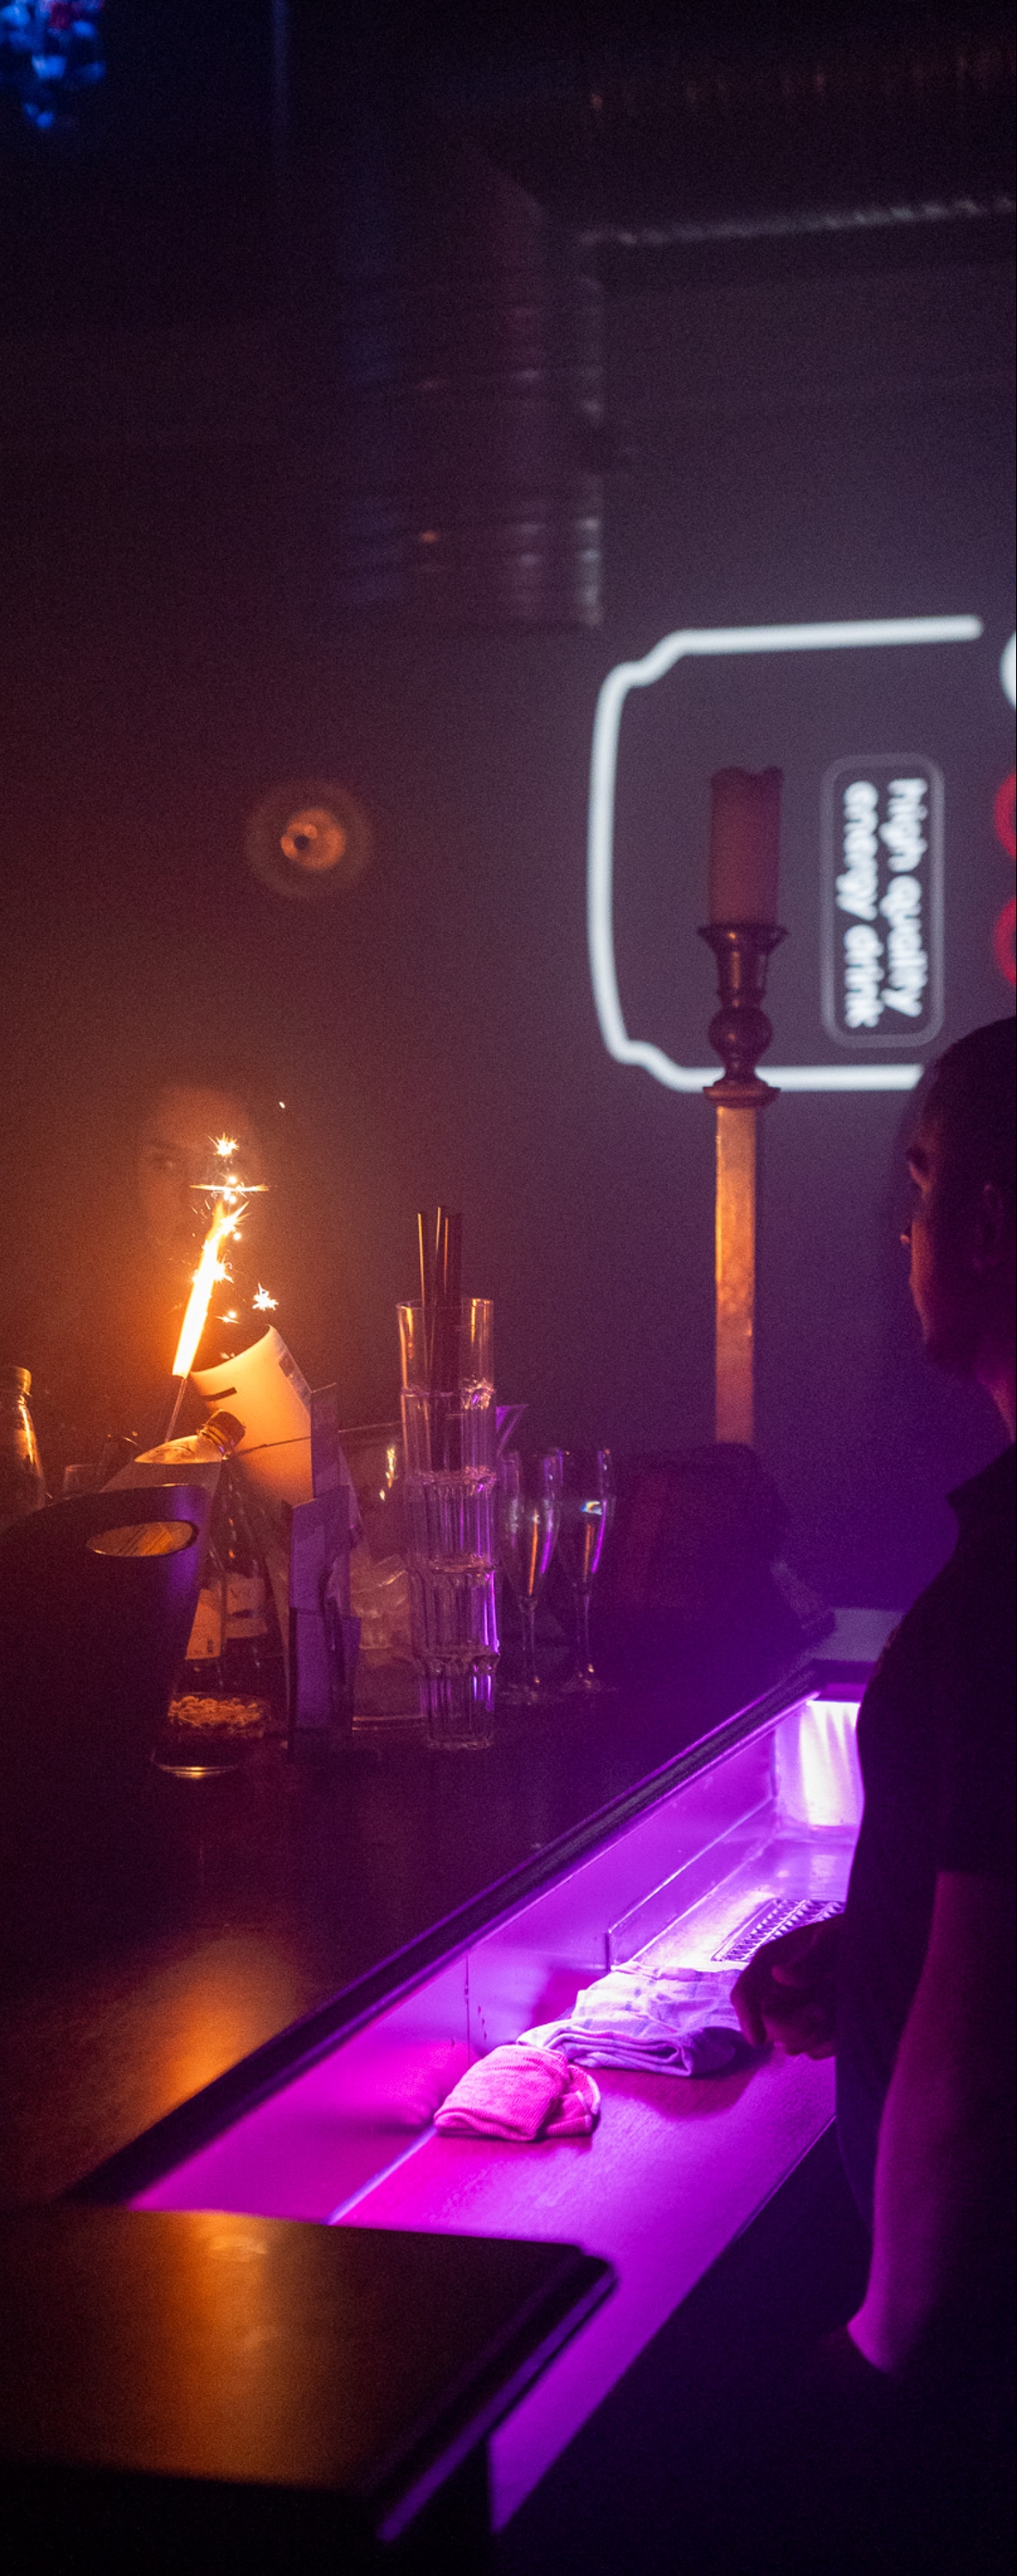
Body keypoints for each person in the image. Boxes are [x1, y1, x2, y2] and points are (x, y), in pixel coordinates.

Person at [734, 1013, 1014, 2556]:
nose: (903, 1243)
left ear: (985, 1225)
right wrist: (882, 1948)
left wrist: (886, 2353)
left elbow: (980, 2056)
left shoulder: (1008, 1591)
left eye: (918, 1195)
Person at [26, 1063, 277, 1475]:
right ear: (129, 1174)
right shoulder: (65, 1350)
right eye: (166, 1164)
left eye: (224, 1165)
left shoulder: (336, 1341)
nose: (195, 1196)